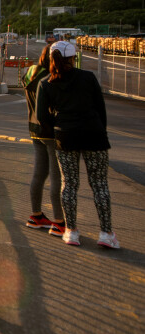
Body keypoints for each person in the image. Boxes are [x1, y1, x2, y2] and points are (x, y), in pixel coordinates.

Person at [36, 41, 119, 249]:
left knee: (69, 184)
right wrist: (100, 130)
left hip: (66, 137)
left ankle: (71, 231)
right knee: (99, 184)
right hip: (94, 135)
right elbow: (101, 109)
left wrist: (59, 125)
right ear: (73, 58)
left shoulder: (46, 83)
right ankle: (107, 233)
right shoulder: (88, 77)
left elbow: (41, 117)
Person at [21, 44, 64, 234]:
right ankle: (59, 221)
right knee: (56, 176)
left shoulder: (29, 73)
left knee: (39, 173)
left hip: (34, 128)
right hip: (49, 131)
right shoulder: (49, 78)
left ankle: (36, 215)